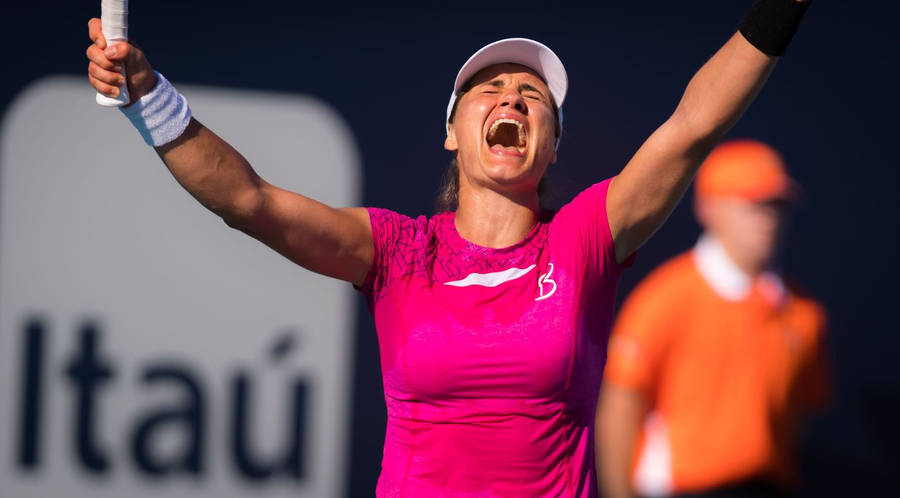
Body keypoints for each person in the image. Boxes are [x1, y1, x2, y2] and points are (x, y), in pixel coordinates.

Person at [85, 1, 812, 495]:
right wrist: (148, 98)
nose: (512, 101)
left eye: (533, 97)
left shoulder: (586, 238)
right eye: (489, 90)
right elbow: (248, 200)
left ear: (553, 144)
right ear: (451, 133)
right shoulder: (396, 250)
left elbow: (692, 127)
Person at [596, 139, 829, 498]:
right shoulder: (664, 299)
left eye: (777, 205)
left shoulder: (804, 312)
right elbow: (619, 410)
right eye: (753, 203)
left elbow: (802, 417)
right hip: (683, 489)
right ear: (710, 207)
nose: (767, 217)